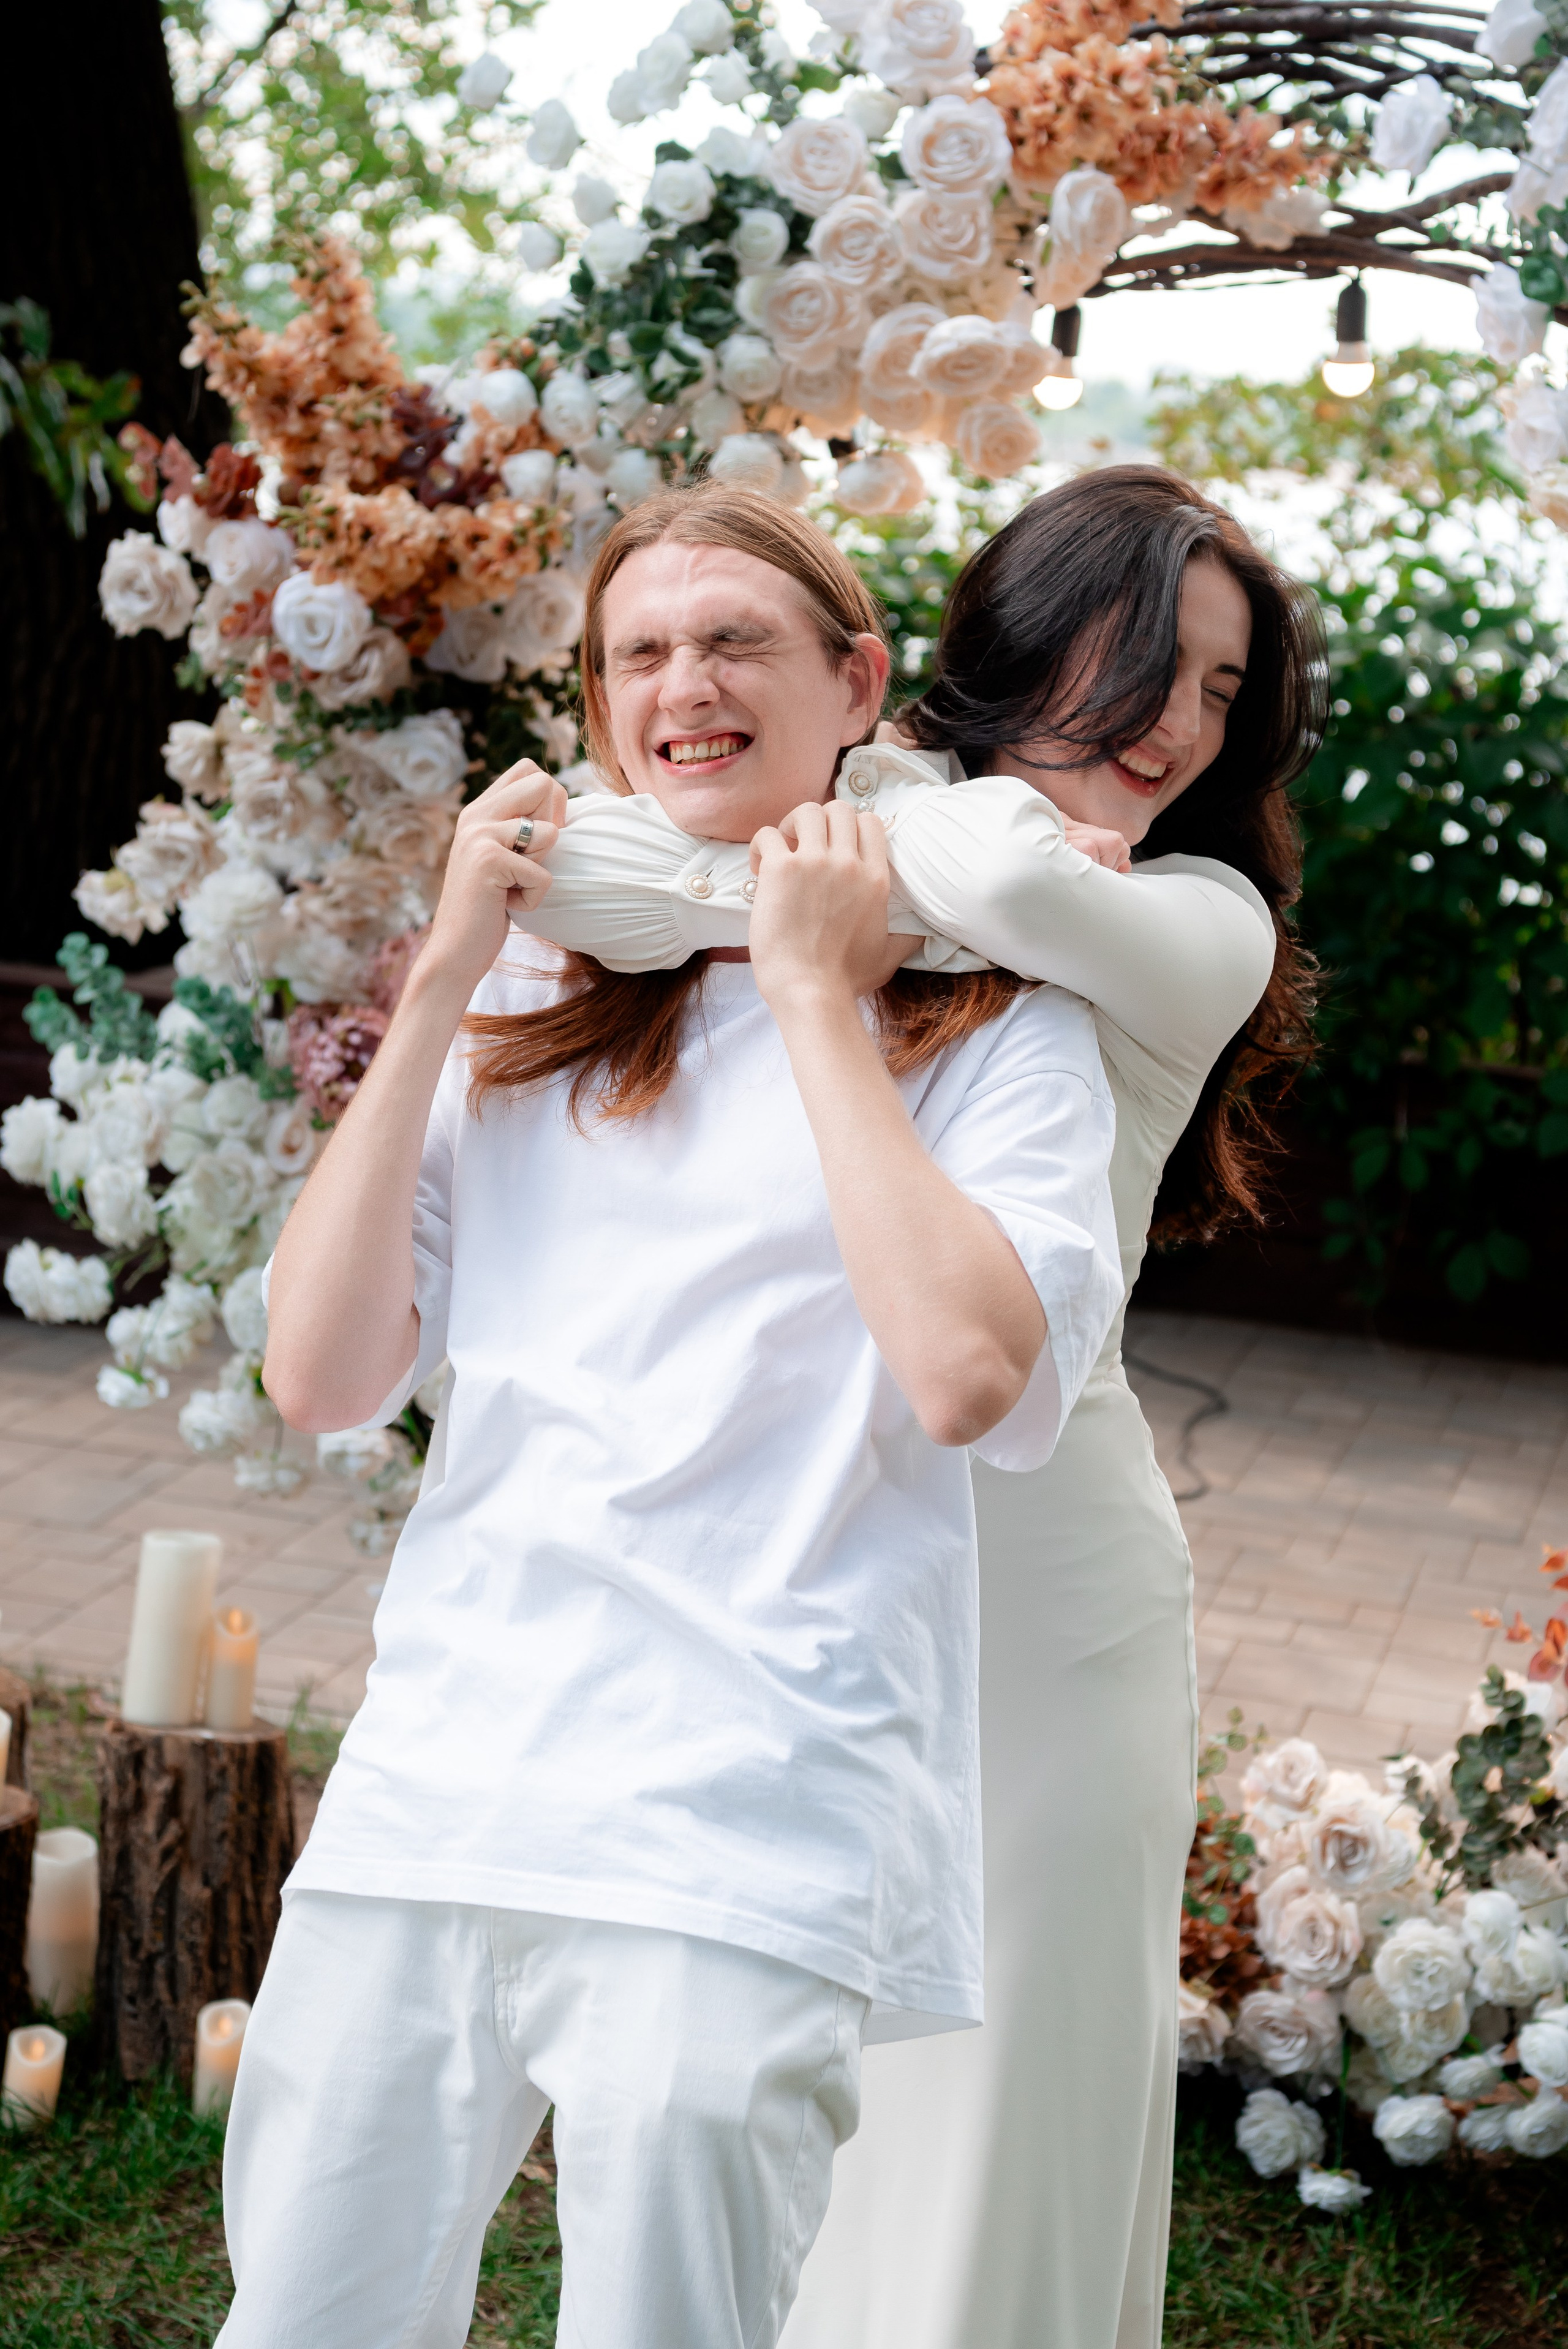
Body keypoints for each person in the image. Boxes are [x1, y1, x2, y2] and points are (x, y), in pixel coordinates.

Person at [221, 484, 1123, 2349]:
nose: (682, 685)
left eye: (734, 642)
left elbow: (968, 1373)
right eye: (638, 653)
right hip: (445, 1781)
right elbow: (318, 1377)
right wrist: (445, 970)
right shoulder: (529, 988)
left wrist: (813, 994)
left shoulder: (1006, 1023)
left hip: (751, 1814)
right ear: (598, 706)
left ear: (856, 682)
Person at [510, 467, 1324, 2349]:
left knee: (993, 2101)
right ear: (1028, 635)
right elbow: (586, 874)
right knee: (792, 2064)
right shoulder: (890, 821)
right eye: (1149, 660)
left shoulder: (1205, 912)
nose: (1180, 725)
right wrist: (903, 834)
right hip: (803, 1554)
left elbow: (1004, 893)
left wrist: (871, 840)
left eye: (1221, 691)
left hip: (1043, 1587)